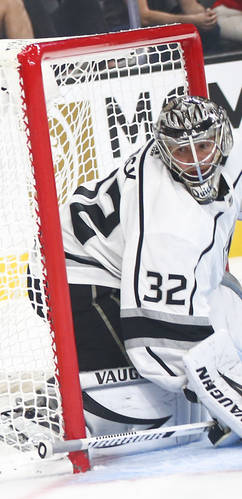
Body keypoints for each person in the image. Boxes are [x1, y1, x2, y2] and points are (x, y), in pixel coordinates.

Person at [58, 95, 242, 442]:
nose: (197, 163)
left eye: (203, 146)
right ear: (163, 151)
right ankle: (52, 411)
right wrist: (222, 394)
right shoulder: (169, 223)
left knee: (230, 307)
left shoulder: (231, 161)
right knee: (152, 407)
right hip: (73, 272)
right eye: (182, 152)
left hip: (120, 257)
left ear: (222, 141)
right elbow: (159, 345)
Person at [102, 0, 220, 52]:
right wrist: (190, 20)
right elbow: (143, 17)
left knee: (210, 30)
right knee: (159, 47)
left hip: (165, 23)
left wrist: (205, 15)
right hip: (126, 28)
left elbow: (190, 6)